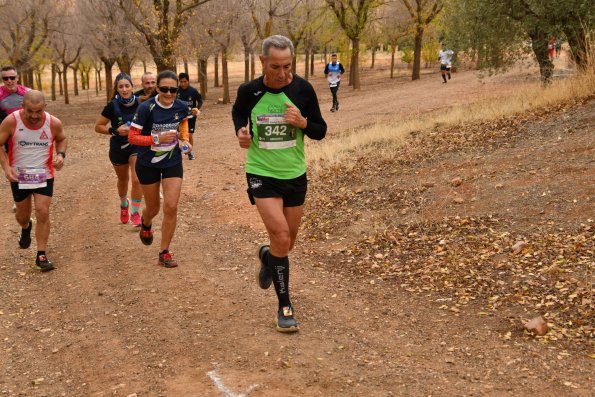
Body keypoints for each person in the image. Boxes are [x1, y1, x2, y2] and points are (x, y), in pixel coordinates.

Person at [232, 35, 327, 333]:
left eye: (288, 66)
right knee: (281, 234)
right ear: (262, 62)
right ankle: (284, 307)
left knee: (286, 243)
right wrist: (241, 132)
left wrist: (302, 123)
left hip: (295, 175)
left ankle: (267, 256)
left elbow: (320, 130)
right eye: (275, 66)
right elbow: (238, 113)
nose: (283, 73)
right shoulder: (250, 91)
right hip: (261, 173)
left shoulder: (302, 89)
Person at [128, 70, 191, 268]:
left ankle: (164, 251)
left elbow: (183, 123)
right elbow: (132, 137)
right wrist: (156, 139)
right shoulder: (147, 108)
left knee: (171, 206)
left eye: (173, 89)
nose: (169, 93)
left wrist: (186, 140)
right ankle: (146, 222)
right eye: (164, 89)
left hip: (172, 161)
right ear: (157, 88)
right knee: (154, 208)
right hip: (148, 163)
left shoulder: (180, 106)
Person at [0, 90, 67, 272]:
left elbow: (61, 139)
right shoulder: (11, 121)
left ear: (45, 107)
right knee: (22, 215)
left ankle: (41, 254)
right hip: (18, 174)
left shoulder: (53, 122)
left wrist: (60, 155)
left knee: (43, 211)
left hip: (43, 174)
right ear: (22, 106)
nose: (35, 116)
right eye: (30, 111)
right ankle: (26, 226)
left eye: (39, 111)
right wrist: (6, 168)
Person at [94, 72, 143, 226]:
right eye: (120, 86)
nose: (124, 89)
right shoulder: (112, 106)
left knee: (136, 179)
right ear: (117, 88)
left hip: (136, 145)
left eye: (127, 86)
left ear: (132, 87)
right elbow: (98, 127)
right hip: (118, 148)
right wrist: (115, 131)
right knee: (123, 180)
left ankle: (135, 212)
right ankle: (124, 205)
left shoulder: (141, 104)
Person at [177, 72, 203, 160]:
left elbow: (200, 100)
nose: (183, 84)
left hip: (191, 117)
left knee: (190, 135)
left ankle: (189, 152)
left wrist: (197, 108)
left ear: (188, 81)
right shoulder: (176, 91)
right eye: (181, 82)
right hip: (179, 117)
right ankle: (182, 150)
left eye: (185, 81)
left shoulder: (193, 91)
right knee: (181, 135)